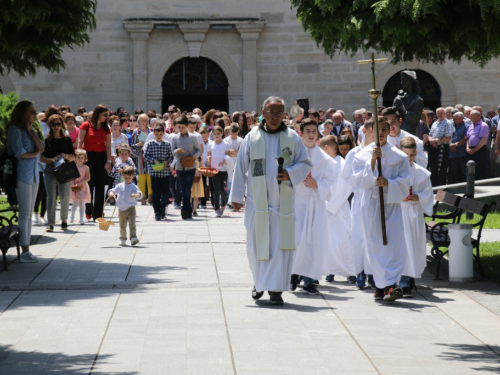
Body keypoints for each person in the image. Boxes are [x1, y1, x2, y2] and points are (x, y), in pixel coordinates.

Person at [229, 96, 312, 305]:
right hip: (257, 204)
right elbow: (241, 166)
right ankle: (259, 282)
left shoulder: (292, 137)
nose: (275, 117)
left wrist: (290, 173)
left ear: (284, 114)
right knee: (256, 246)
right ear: (262, 112)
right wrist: (236, 196)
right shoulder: (252, 137)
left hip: (282, 204)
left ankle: (276, 289)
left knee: (280, 247)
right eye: (271, 112)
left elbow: (305, 163)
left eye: (279, 112)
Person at [351, 118, 412, 302]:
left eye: (385, 129)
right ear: (370, 130)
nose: (381, 133)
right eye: (378, 129)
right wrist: (372, 162)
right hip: (371, 204)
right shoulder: (362, 155)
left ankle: (392, 284)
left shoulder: (398, 156)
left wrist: (389, 184)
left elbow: (406, 180)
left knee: (393, 244)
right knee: (375, 244)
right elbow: (357, 181)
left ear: (390, 130)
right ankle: (380, 285)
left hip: (391, 205)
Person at [291, 119, 335, 295]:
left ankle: (309, 279)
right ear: (300, 133)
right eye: (307, 130)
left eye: (314, 131)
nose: (311, 134)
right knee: (295, 240)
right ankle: (293, 274)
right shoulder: (294, 154)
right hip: (296, 202)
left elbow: (330, 181)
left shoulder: (324, 159)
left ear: (318, 134)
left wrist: (317, 184)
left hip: (314, 203)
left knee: (313, 241)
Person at [6, 100, 45, 262]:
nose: (34, 115)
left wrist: (31, 133)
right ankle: (25, 250)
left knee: (29, 213)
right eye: (31, 112)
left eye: (35, 111)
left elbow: (41, 148)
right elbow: (20, 153)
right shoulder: (14, 130)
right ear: (22, 113)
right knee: (24, 213)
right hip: (22, 175)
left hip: (34, 174)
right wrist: (35, 153)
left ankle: (26, 249)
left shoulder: (31, 129)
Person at [341, 117, 377, 289]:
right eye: (374, 130)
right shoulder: (354, 153)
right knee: (359, 237)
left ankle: (374, 272)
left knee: (374, 238)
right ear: (365, 131)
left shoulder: (381, 151)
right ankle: (360, 271)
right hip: (361, 198)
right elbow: (346, 175)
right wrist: (362, 182)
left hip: (377, 200)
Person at [399, 137, 433, 298]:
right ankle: (402, 280)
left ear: (416, 154)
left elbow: (428, 193)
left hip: (414, 214)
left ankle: (409, 277)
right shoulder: (394, 170)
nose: (409, 158)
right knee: (401, 246)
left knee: (413, 246)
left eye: (412, 155)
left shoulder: (421, 172)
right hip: (398, 213)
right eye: (405, 155)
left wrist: (418, 197)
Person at [40, 114, 76, 232]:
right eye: (54, 124)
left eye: (58, 124)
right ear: (50, 125)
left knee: (64, 196)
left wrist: (65, 156)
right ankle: (50, 222)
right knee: (51, 196)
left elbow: (73, 157)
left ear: (62, 125)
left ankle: (64, 220)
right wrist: (51, 160)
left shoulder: (67, 139)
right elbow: (41, 158)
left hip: (64, 168)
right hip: (50, 169)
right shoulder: (47, 140)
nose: (56, 126)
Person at [78, 104, 112, 221]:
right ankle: (88, 210)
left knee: (100, 185)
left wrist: (108, 161)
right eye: (105, 114)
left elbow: (108, 146)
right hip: (88, 157)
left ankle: (98, 213)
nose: (106, 117)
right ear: (98, 114)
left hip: (101, 157)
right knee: (88, 184)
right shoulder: (86, 126)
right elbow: (80, 142)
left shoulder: (106, 128)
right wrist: (79, 158)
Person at [171, 115, 201, 219]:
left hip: (191, 166)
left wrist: (195, 156)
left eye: (183, 127)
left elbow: (198, 150)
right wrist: (176, 151)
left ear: (187, 126)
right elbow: (172, 151)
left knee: (187, 188)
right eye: (179, 127)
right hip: (180, 166)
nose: (181, 129)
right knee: (183, 189)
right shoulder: (175, 138)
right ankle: (187, 209)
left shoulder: (193, 137)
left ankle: (186, 209)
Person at [143, 124, 174, 221]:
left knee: (165, 191)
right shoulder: (150, 144)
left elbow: (171, 156)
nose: (159, 136)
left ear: (163, 133)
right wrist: (153, 160)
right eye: (157, 134)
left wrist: (167, 161)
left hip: (164, 172)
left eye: (160, 134)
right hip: (154, 172)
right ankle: (157, 211)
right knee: (156, 192)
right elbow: (145, 155)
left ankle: (163, 207)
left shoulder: (167, 144)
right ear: (154, 134)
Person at [108, 166, 142, 246]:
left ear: (132, 177)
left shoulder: (134, 186)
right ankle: (123, 238)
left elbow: (139, 193)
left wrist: (136, 195)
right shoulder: (120, 185)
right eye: (125, 177)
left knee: (132, 224)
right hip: (121, 209)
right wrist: (111, 193)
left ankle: (133, 237)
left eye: (129, 177)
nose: (127, 179)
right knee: (122, 225)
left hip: (131, 208)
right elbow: (114, 190)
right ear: (122, 176)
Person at [207, 126, 231, 217]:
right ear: (213, 134)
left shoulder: (226, 144)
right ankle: (216, 208)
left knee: (223, 189)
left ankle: (223, 205)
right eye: (215, 134)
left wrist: (224, 161)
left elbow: (228, 156)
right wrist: (208, 161)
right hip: (214, 170)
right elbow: (209, 156)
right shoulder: (211, 144)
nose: (216, 135)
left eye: (218, 133)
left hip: (224, 170)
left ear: (222, 134)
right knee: (216, 189)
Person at [393, 70, 424, 135]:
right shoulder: (401, 96)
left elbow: (412, 119)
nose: (401, 83)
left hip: (408, 133)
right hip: (397, 132)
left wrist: (401, 106)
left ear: (410, 81)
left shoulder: (417, 100)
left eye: (404, 80)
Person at [428, 108, 452, 186]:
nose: (439, 115)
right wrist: (432, 142)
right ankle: (434, 186)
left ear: (444, 114)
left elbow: (448, 137)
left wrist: (437, 141)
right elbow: (430, 135)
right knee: (433, 168)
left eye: (441, 113)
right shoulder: (434, 123)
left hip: (442, 147)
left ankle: (441, 186)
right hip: (433, 147)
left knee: (442, 169)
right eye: (438, 113)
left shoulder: (448, 123)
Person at [131, 113, 152, 205]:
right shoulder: (136, 132)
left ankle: (151, 196)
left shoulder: (151, 130)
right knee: (141, 178)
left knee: (151, 177)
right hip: (140, 158)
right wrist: (139, 144)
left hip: (151, 157)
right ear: (138, 122)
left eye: (145, 120)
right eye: (142, 120)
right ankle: (142, 197)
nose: (144, 122)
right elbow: (132, 147)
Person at [467, 110, 490, 180]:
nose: (470, 118)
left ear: (478, 117)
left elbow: (483, 140)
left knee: (480, 168)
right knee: (471, 168)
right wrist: (467, 148)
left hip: (480, 149)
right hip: (470, 150)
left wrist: (474, 150)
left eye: (472, 116)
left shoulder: (483, 125)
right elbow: (468, 138)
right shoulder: (470, 126)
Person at [70, 149, 91, 224]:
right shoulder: (73, 167)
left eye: (82, 158)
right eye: (78, 157)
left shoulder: (86, 167)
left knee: (82, 203)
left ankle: (81, 219)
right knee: (75, 203)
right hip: (75, 186)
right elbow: (71, 176)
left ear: (85, 159)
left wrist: (81, 182)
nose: (80, 159)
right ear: (75, 158)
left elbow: (88, 177)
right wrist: (73, 184)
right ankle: (72, 216)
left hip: (83, 187)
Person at [449, 112, 469, 183]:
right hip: (452, 153)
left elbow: (466, 138)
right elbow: (448, 136)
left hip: (462, 153)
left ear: (461, 118)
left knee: (463, 171)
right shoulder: (451, 126)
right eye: (453, 118)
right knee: (455, 171)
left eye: (455, 118)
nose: (453, 120)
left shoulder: (466, 126)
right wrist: (451, 145)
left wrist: (456, 145)